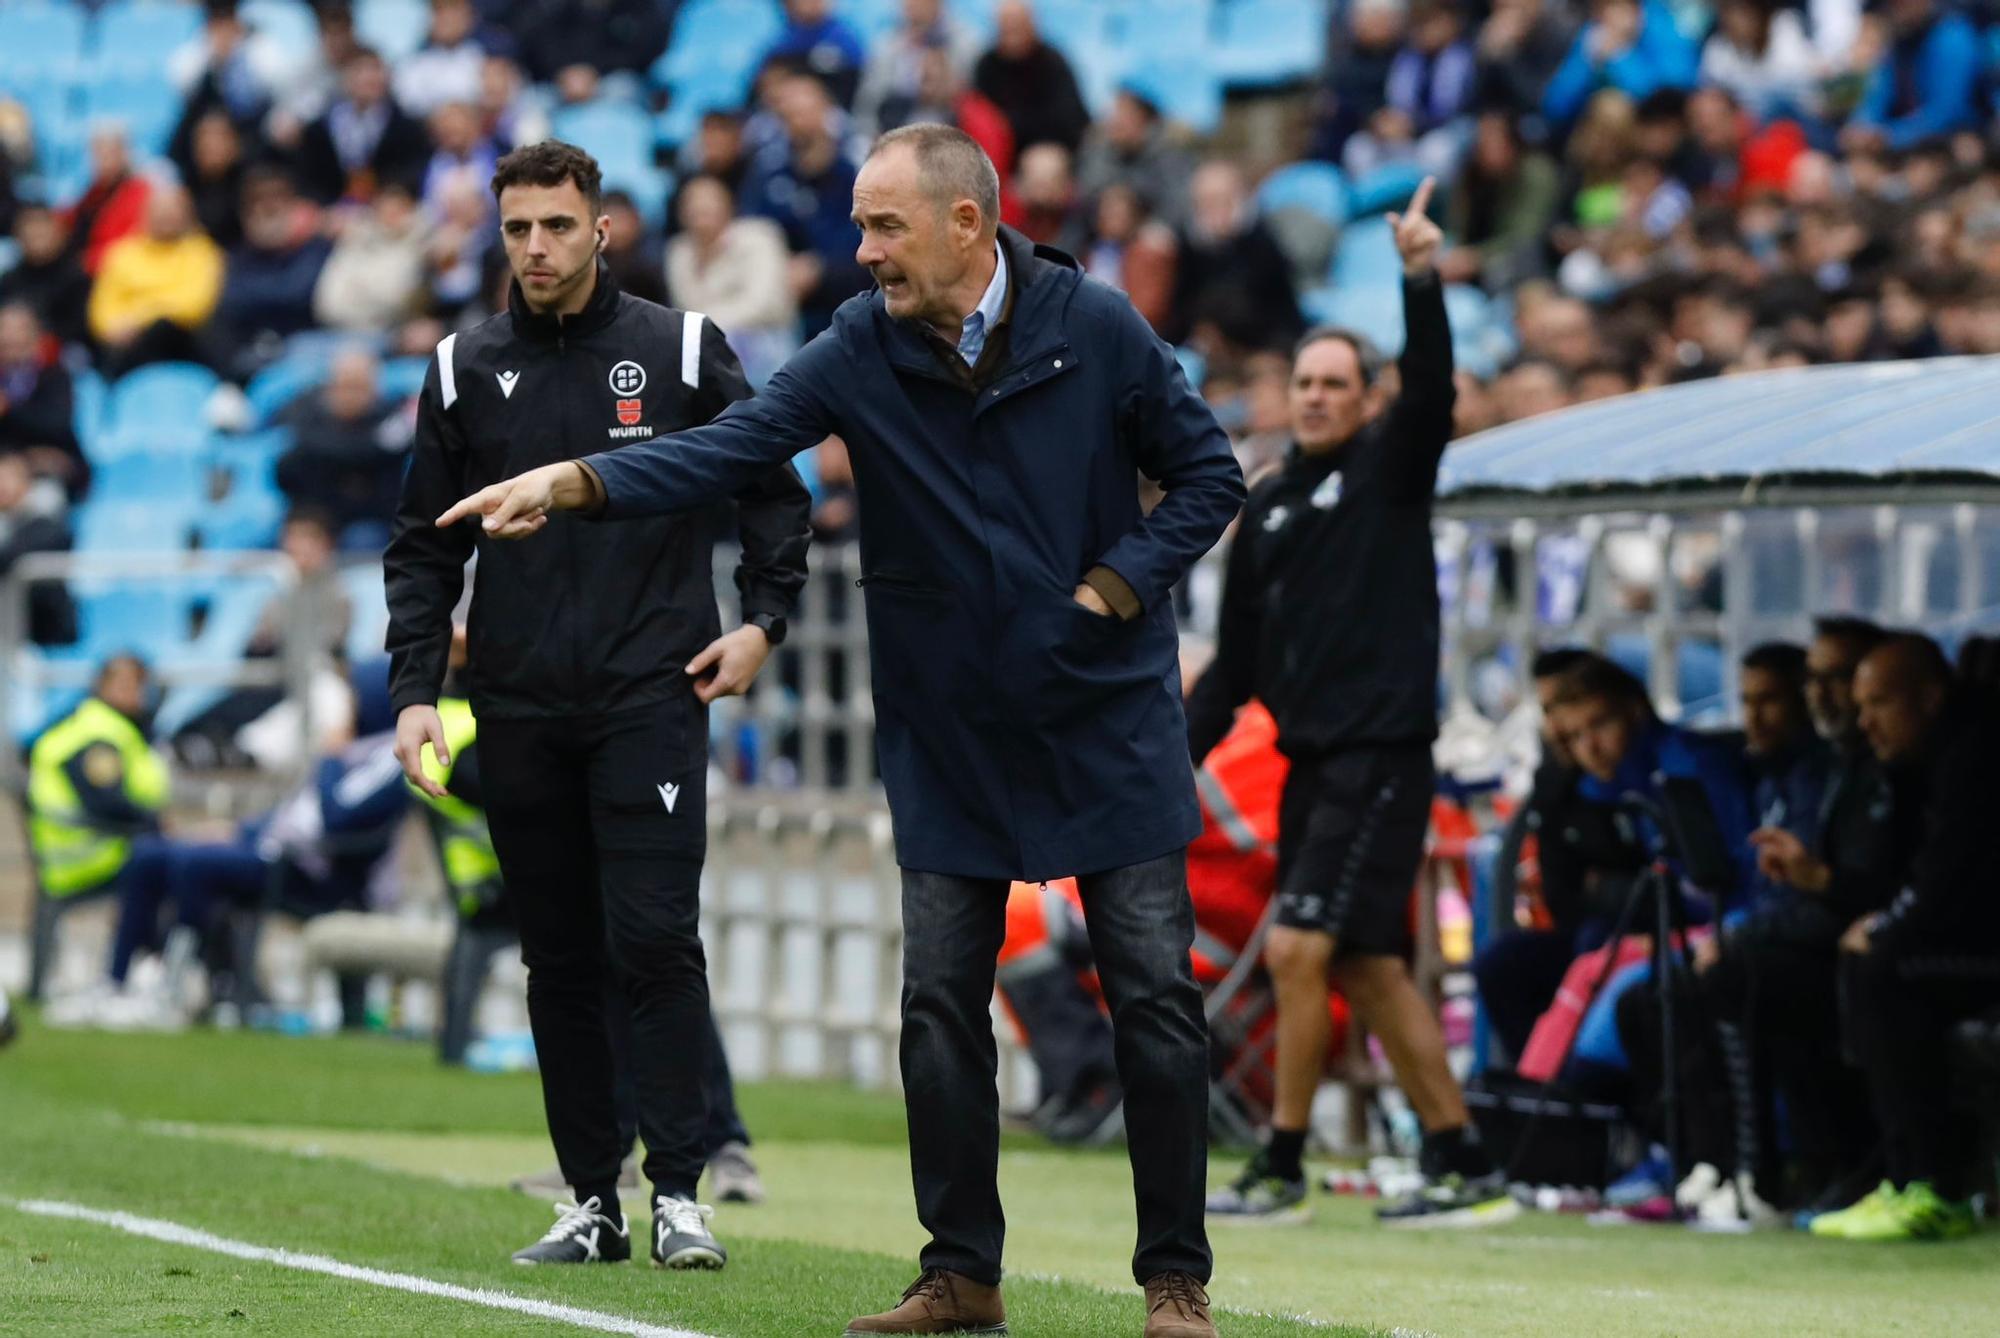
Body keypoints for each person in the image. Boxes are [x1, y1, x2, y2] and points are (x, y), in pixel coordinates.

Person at [434, 123, 1244, 1338]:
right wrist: (578, 480)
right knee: (935, 1006)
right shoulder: (859, 344)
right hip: (946, 726)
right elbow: (730, 446)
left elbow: (1209, 479)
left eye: (882, 226)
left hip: (1102, 714)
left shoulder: (1097, 326)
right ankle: (961, 1275)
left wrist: (1111, 590)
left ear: (964, 224)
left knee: (1154, 1001)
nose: (859, 251)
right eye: (860, 226)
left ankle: (1173, 1282)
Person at [385, 139, 810, 1272]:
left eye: (556, 226)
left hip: (650, 695)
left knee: (656, 940)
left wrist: (763, 621)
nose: (535, 247)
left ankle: (680, 1191)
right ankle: (592, 1198)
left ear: (601, 228)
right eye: (517, 227)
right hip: (516, 705)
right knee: (558, 959)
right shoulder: (459, 366)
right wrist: (416, 692)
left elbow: (772, 485)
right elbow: (420, 549)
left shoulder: (675, 348)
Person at [1186, 177, 1508, 1230]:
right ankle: (1460, 1156)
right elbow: (1232, 671)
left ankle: (1279, 1163)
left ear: (1366, 399)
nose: (1317, 396)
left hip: (1380, 755)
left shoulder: (1389, 470)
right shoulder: (1268, 501)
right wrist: (1162, 761)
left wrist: (1418, 278)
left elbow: (1432, 395)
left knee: (1294, 947)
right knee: (1367, 968)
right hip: (1309, 762)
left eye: (1336, 383)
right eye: (1305, 383)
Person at [1809, 635, 2000, 1242]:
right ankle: (1889, 1176)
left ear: (1931, 696)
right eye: (1860, 705)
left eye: (1880, 703)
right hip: (1969, 942)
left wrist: (1887, 926)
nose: (1864, 722)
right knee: (1860, 965)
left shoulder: (1974, 759)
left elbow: (1948, 887)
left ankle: (1930, 1186)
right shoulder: (1922, 765)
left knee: (1885, 972)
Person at [1471, 647, 1634, 1063]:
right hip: (1581, 928)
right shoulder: (1555, 779)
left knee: (1594, 947)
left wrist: (1605, 888)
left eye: (1567, 709)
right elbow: (1562, 886)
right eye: (1549, 711)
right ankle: (1540, 1098)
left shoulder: (1628, 774)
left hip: (1631, 933)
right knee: (1502, 961)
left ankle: (1561, 1089)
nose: (1560, 727)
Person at [26, 656, 175, 1007]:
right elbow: (108, 802)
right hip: (86, 855)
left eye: (138, 685)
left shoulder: (114, 728)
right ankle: (131, 979)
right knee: (171, 868)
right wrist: (153, 826)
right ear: (101, 687)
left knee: (178, 861)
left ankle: (149, 974)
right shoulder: (97, 734)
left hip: (97, 850)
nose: (133, 694)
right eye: (123, 685)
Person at [87, 187, 225, 378]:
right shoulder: (123, 254)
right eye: (160, 211)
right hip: (127, 346)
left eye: (173, 211)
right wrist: (119, 329)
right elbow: (102, 312)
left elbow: (194, 305)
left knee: (165, 329)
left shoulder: (202, 252)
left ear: (187, 214)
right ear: (146, 214)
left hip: (182, 343)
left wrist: (140, 319)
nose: (166, 217)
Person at [275, 348, 410, 542]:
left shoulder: (393, 414)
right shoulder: (304, 410)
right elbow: (294, 457)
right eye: (344, 386)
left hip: (373, 515)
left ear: (374, 388)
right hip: (317, 509)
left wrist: (341, 451)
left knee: (364, 537)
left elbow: (396, 447)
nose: (350, 395)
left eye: (359, 387)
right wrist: (367, 449)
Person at [297, 46, 431, 207]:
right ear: (345, 76)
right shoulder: (320, 128)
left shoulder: (407, 127)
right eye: (360, 70)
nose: (369, 78)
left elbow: (414, 170)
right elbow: (310, 178)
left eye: (375, 70)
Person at [972, 1, 1092, 154]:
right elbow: (977, 114)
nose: (1012, 33)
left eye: (1017, 25)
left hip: (1047, 147)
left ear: (1032, 25)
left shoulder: (1052, 63)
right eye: (1006, 27)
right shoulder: (986, 65)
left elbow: (1068, 120)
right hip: (999, 150)